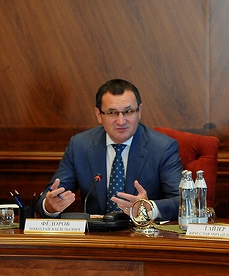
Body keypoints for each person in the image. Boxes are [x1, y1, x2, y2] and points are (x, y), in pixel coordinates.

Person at [36, 79, 182, 220]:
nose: (121, 121)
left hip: (143, 232)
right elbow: (50, 197)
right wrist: (50, 206)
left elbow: (181, 200)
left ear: (139, 111)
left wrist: (149, 207)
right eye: (112, 113)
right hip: (96, 234)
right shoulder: (80, 146)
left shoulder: (162, 147)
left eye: (128, 111)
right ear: (99, 115)